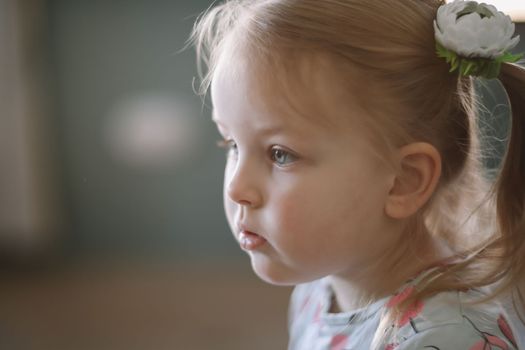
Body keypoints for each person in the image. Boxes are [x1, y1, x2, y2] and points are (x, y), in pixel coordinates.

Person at [188, 0, 525, 348]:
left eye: (280, 154)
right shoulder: (319, 287)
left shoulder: (446, 338)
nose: (236, 188)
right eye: (232, 145)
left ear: (403, 181)